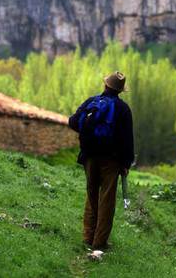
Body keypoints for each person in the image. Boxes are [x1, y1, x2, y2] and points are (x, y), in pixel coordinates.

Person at [69, 71, 134, 250]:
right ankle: (99, 243)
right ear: (120, 91)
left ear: (105, 85)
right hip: (111, 161)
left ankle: (87, 237)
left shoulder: (92, 102)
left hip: (89, 156)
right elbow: (127, 139)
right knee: (107, 200)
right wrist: (126, 163)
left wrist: (89, 135)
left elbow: (73, 122)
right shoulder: (123, 109)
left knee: (91, 196)